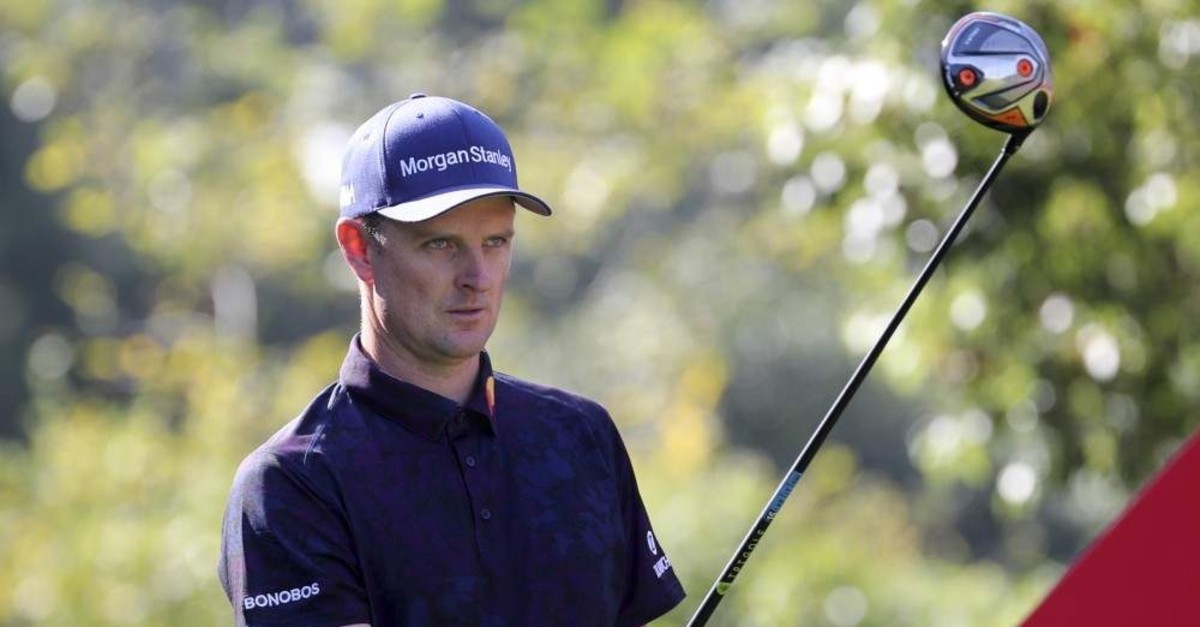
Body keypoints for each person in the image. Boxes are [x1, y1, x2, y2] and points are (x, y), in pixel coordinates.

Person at [218, 93, 686, 626]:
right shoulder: (293, 483)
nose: (477, 277)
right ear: (358, 248)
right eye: (440, 244)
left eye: (495, 242)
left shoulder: (581, 436)